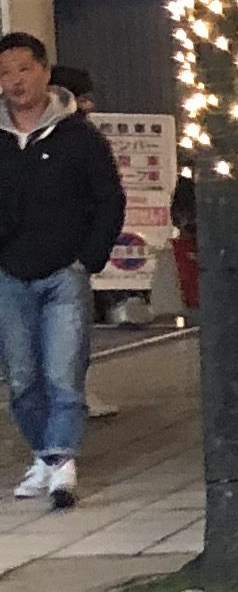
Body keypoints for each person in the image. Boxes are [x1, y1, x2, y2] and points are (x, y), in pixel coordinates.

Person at [0, 32, 122, 505]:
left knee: (64, 374)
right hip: (10, 275)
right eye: (5, 73)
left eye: (23, 69)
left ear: (45, 72)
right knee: (22, 379)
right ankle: (46, 457)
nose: (15, 81)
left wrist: (87, 259)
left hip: (64, 274)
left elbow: (109, 200)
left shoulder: (78, 137)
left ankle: (62, 462)